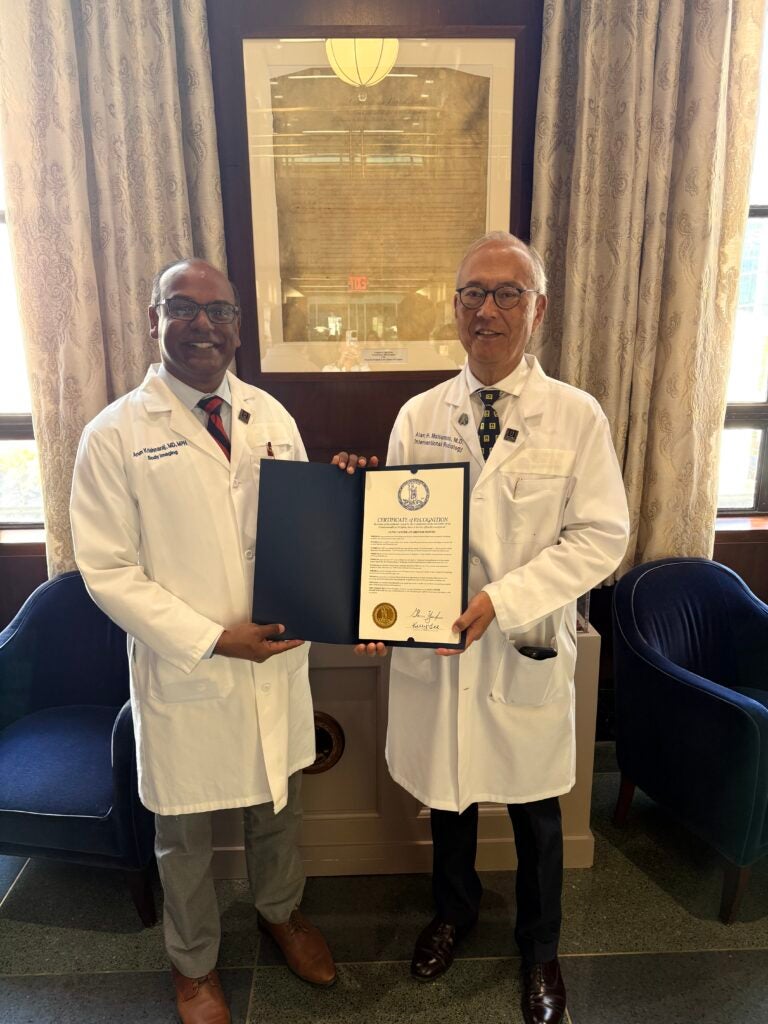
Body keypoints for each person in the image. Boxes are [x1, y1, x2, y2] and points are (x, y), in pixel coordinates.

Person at [70, 258, 374, 1024]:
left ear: (239, 325)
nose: (203, 324)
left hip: (273, 663)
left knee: (279, 810)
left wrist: (342, 493)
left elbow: (298, 530)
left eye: (220, 311)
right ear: (155, 319)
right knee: (183, 838)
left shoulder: (269, 416)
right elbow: (107, 571)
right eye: (184, 308)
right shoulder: (114, 435)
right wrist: (212, 639)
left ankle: (281, 914)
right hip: (190, 671)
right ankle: (194, 964)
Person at [354, 231, 629, 1024]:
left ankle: (541, 952)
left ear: (537, 309)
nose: (488, 309)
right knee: (452, 798)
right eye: (473, 292)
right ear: (454, 306)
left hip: (521, 645)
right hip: (440, 653)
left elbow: (603, 538)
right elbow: (398, 529)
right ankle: (454, 912)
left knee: (539, 813)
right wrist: (381, 607)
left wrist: (503, 599)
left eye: (508, 293)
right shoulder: (418, 415)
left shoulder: (575, 416)